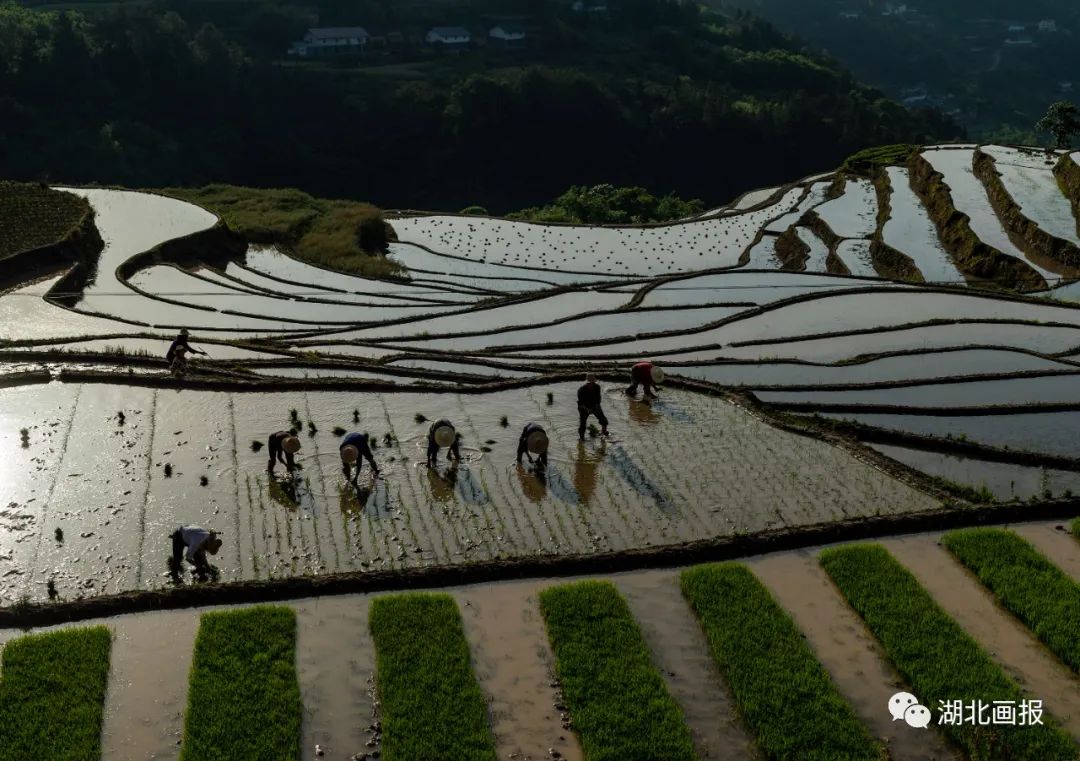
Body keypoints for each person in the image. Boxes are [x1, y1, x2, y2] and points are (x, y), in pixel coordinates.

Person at [577, 373, 610, 439]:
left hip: (594, 405)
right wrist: (587, 409)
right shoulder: (581, 390)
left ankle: (604, 431)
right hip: (583, 407)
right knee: (582, 423)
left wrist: (596, 407)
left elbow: (598, 399)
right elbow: (581, 403)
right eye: (589, 383)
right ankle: (582, 438)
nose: (591, 384)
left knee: (603, 419)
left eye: (592, 383)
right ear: (587, 383)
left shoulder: (597, 387)